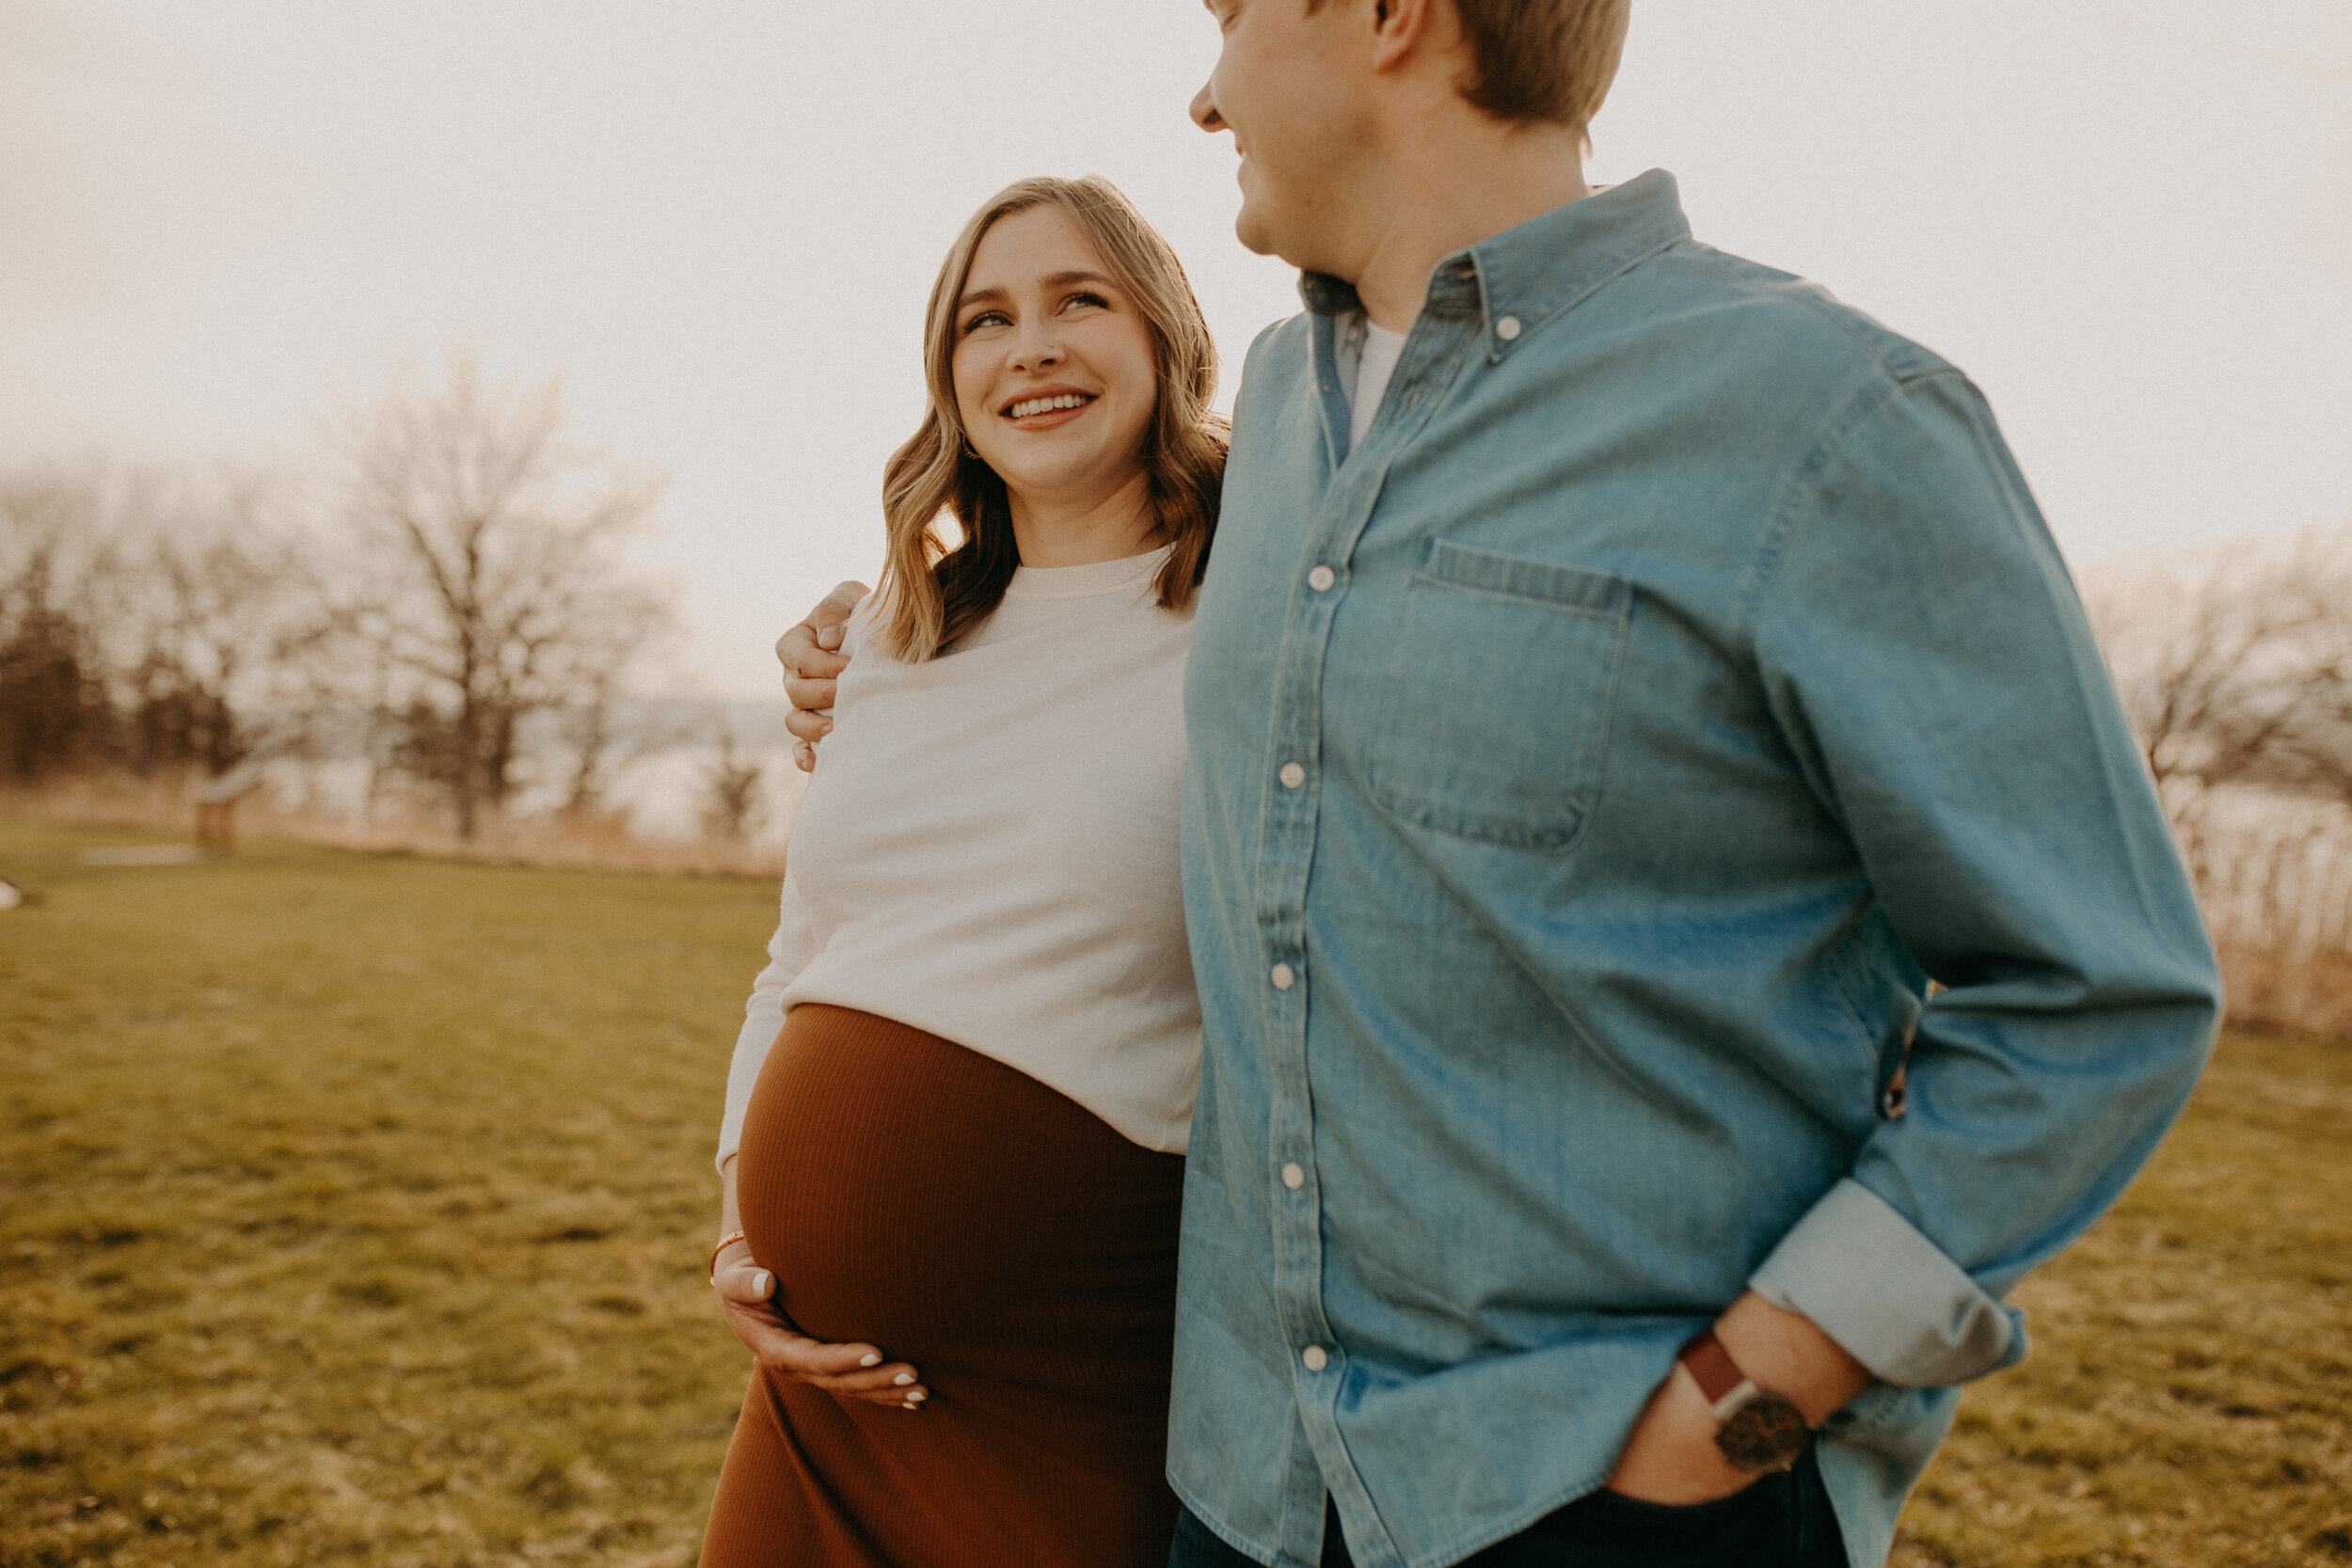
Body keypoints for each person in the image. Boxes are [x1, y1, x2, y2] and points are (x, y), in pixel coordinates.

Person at [780, 3, 2221, 1565]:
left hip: (1604, 1496)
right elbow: (1095, 615)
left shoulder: (1822, 415)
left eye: (1233, 16)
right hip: (1244, 1493)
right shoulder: (1274, 409)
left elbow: (2100, 983)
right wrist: (876, 649)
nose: (1206, 97)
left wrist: (1767, 1381)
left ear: (1390, 18)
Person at [701, 173, 1228, 1568]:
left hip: (1066, 1377)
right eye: (985, 320)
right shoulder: (888, 638)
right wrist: (741, 1228)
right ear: (949, 378)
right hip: (821, 1408)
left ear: (1168, 340)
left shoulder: (1253, 624)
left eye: (1080, 303)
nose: (1031, 348)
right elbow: (801, 955)